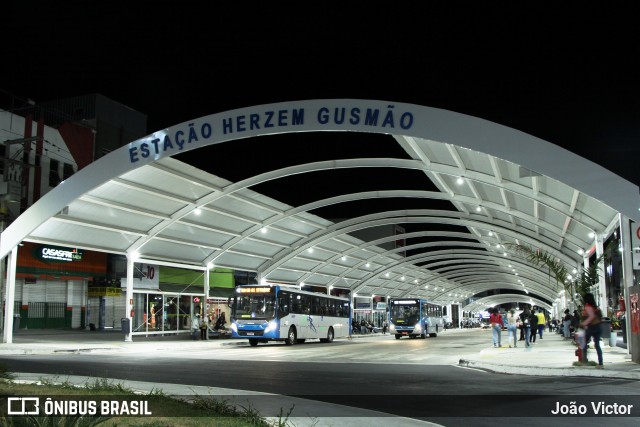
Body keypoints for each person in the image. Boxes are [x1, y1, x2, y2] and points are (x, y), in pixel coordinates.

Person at [580, 293, 604, 368]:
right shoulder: (596, 307)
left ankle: (584, 360)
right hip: (598, 327)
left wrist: (583, 323)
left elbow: (591, 317)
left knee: (583, 344)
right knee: (597, 345)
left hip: (591, 327)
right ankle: (600, 363)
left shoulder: (588, 307)